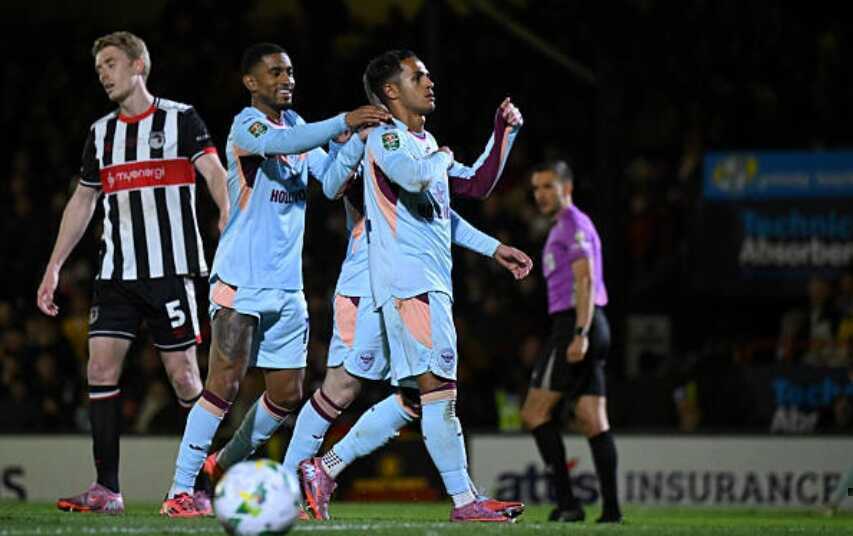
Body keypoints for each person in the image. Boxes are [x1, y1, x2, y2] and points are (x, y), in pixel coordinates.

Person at [159, 42, 389, 517]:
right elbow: (285, 145)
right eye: (275, 72)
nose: (287, 79)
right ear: (251, 82)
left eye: (290, 72)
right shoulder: (246, 126)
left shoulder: (298, 125)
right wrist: (344, 121)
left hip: (287, 287)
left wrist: (356, 142)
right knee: (223, 385)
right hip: (240, 280)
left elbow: (330, 182)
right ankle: (179, 491)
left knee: (286, 393)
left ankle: (222, 465)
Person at [298, 49, 526, 523]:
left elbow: (472, 188)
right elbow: (418, 177)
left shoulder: (423, 143)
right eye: (417, 76)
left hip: (421, 283)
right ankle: (464, 500)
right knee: (438, 388)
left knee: (414, 400)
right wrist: (441, 157)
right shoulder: (387, 138)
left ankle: (324, 468)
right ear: (391, 91)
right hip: (411, 284)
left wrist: (503, 134)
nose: (429, 81)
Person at [36, 31, 230, 515]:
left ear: (138, 65)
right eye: (98, 67)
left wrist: (227, 210)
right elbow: (83, 200)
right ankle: (107, 489)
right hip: (116, 273)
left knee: (184, 377)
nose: (103, 73)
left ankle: (196, 488)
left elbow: (213, 170)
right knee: (99, 368)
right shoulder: (101, 133)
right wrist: (54, 266)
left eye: (111, 63)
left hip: (171, 270)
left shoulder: (181, 119)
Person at [520, 161, 622, 523]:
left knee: (534, 413)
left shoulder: (573, 224)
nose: (541, 195)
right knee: (593, 419)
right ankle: (611, 512)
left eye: (548, 186)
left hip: (576, 324)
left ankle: (568, 504)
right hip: (591, 322)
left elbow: (585, 280)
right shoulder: (564, 227)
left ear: (567, 188)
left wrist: (579, 333)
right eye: (536, 188)